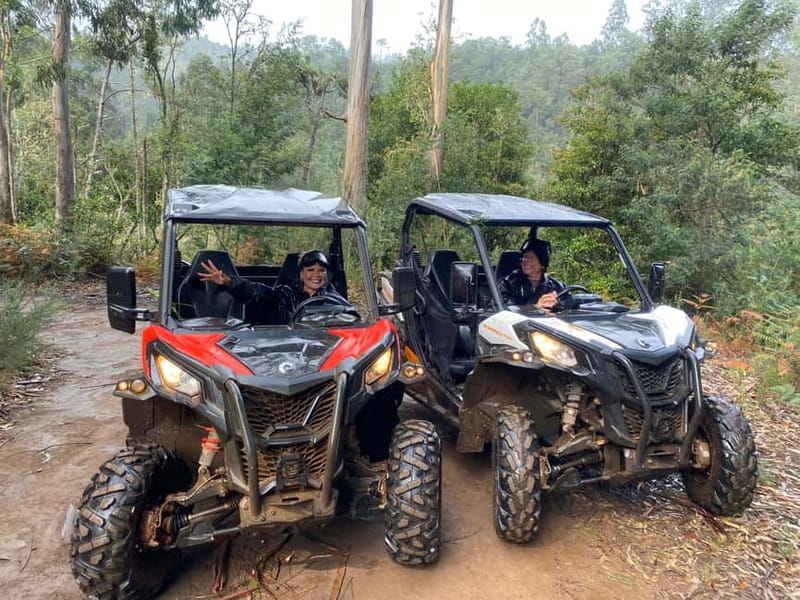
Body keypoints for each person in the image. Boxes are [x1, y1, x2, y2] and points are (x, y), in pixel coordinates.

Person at [198, 250, 348, 324]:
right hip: (282, 344)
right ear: (301, 274)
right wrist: (228, 282)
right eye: (310, 270)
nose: (316, 275)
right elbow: (257, 292)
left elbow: (351, 320)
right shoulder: (285, 294)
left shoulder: (333, 299)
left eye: (321, 270)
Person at [498, 238, 566, 312]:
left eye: (531, 257)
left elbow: (569, 306)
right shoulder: (509, 283)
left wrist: (556, 304)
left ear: (542, 264)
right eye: (524, 257)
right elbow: (504, 309)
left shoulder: (556, 286)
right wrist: (535, 308)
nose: (525, 260)